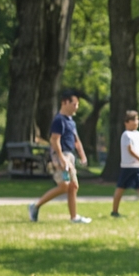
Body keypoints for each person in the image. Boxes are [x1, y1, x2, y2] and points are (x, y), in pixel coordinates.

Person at [28, 90, 91, 224]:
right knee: (64, 186)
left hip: (69, 156)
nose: (76, 107)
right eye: (74, 104)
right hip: (60, 156)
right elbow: (54, 140)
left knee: (73, 186)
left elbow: (76, 140)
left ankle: (74, 217)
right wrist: (62, 158)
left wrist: (82, 155)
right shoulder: (59, 120)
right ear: (65, 103)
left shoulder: (71, 122)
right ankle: (36, 206)